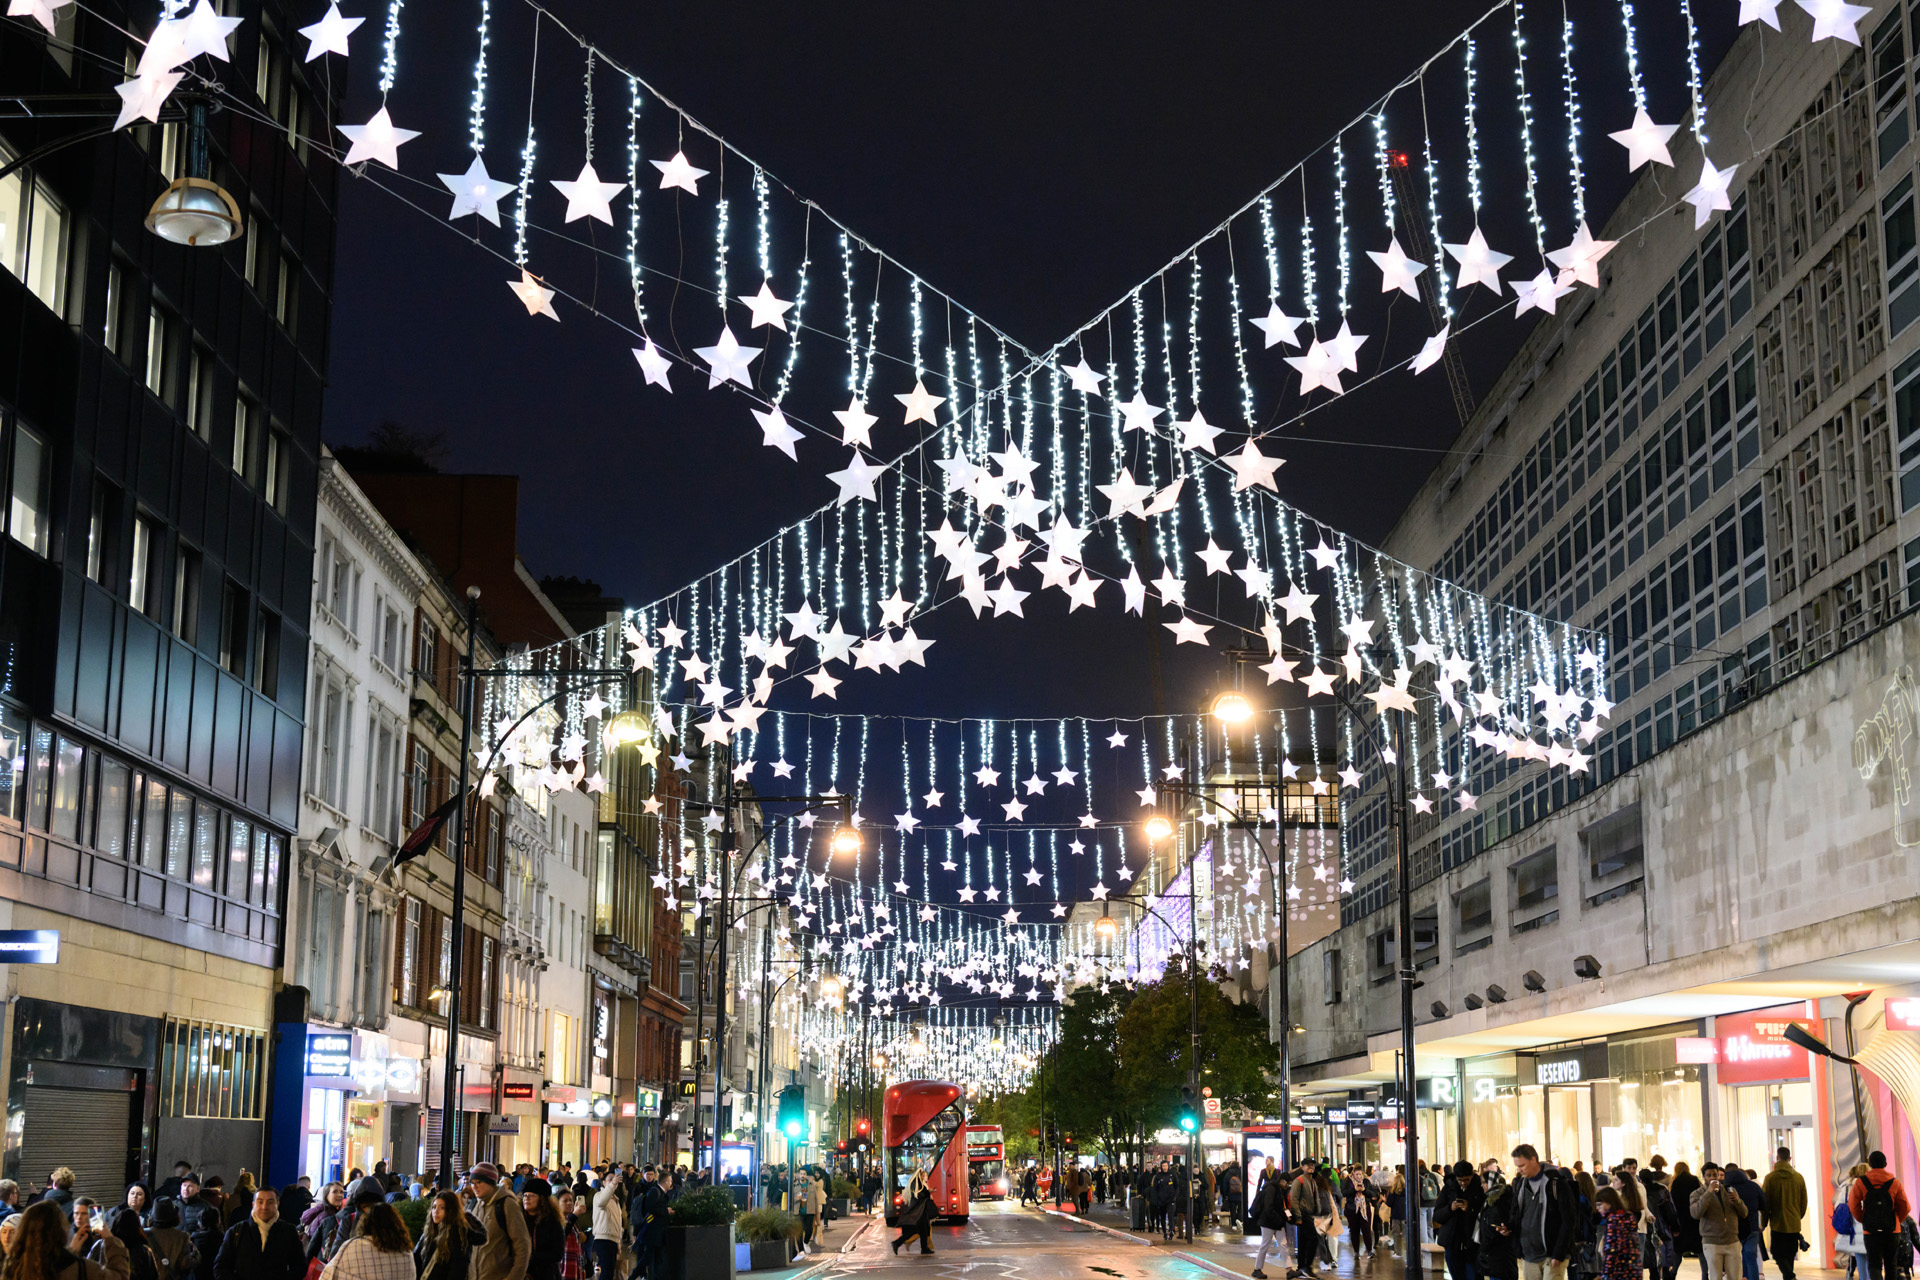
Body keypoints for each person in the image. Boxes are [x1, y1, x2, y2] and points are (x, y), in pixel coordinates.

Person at [1509, 1144, 1581, 1280]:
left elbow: (1569, 1219)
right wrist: (1509, 1227)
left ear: (1533, 1159)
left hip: (1552, 1252)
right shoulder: (1521, 1185)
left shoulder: (1556, 1183)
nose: (1519, 1170)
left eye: (1522, 1165)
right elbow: (1516, 1214)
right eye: (1517, 1166)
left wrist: (1559, 1252)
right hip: (1529, 1254)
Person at [210, 1187, 302, 1280]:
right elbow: (220, 1267)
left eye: (270, 1202)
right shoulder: (236, 1231)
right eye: (260, 1202)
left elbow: (300, 1265)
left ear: (277, 1204)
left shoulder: (288, 1231)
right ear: (253, 1204)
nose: (264, 1207)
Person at [8, 1201, 115, 1280]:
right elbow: (119, 1275)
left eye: (84, 1214)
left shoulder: (14, 1265)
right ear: (60, 1231)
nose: (79, 1218)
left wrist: (72, 1251)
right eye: (76, 1213)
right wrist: (111, 1240)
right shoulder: (82, 1267)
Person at [1849, 1151, 1911, 1280]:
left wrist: (1863, 1219)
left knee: (1874, 1265)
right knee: (1891, 1265)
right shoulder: (1895, 1183)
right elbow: (1905, 1207)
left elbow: (1853, 1204)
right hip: (1892, 1230)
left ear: (1870, 1164)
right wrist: (1897, 1220)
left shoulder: (1861, 1182)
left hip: (1870, 1230)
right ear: (1885, 1164)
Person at [466, 1165, 531, 1280]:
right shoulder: (477, 1205)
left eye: (478, 1182)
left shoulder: (507, 1205)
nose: (474, 1187)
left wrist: (513, 1277)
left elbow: (523, 1246)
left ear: (490, 1183)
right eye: (472, 1182)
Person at [319, 1202, 412, 1280]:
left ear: (365, 1223)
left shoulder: (353, 1245)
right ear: (397, 1224)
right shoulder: (406, 1252)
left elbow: (329, 1273)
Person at [1690, 1163, 1747, 1280]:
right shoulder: (1697, 1193)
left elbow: (1744, 1213)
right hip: (1712, 1243)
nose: (1712, 1178)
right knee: (1716, 1277)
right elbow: (1696, 1213)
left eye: (1715, 1175)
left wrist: (1737, 1200)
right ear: (1704, 1177)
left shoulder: (1729, 1190)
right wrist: (1708, 1193)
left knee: (1735, 1276)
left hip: (1732, 1241)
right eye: (1709, 1175)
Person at [1435, 1162, 1486, 1280]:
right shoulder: (1449, 1187)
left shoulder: (1480, 1187)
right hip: (1452, 1242)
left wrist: (1470, 1209)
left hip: (1473, 1243)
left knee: (1473, 1276)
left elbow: (1485, 1215)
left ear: (1472, 1175)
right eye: (1460, 1180)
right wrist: (1450, 1209)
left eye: (1466, 1180)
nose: (1463, 1183)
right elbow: (1437, 1216)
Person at [1764, 1147, 1808, 1280]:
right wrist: (1797, 1215)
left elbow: (1766, 1202)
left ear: (1777, 1158)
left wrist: (1764, 1222)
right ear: (1789, 1159)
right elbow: (1803, 1201)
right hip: (1794, 1223)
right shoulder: (1799, 1177)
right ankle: (1789, 1276)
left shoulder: (1770, 1178)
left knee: (1777, 1253)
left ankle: (1789, 1276)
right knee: (1790, 1254)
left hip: (1777, 1223)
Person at [1248, 1163, 1292, 1280]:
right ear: (1282, 1181)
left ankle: (1289, 1269)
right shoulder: (1271, 1189)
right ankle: (1257, 1269)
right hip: (1268, 1222)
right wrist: (1279, 1219)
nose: (1287, 1186)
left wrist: (1286, 1216)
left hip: (1277, 1222)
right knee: (1265, 1245)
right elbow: (1269, 1208)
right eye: (1287, 1183)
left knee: (1283, 1245)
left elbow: (1282, 1206)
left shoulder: (1279, 1190)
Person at [1291, 1162, 1332, 1279]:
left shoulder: (1312, 1181)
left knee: (1303, 1242)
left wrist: (1317, 1210)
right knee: (1313, 1238)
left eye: (1312, 1166)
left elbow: (1316, 1198)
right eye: (1308, 1165)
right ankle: (1307, 1267)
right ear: (1303, 1167)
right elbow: (1294, 1199)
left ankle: (1301, 1268)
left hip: (1310, 1215)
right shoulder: (1299, 1181)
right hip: (1303, 1215)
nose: (1311, 1167)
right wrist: (1298, 1216)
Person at [1723, 1166, 1763, 1280]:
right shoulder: (1753, 1186)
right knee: (1750, 1257)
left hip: (1735, 1227)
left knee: (1736, 1258)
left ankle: (1743, 1277)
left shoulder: (1727, 1189)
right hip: (1752, 1226)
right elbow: (1763, 1204)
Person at [517, 1180, 561, 1280]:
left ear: (542, 1199)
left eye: (532, 1195)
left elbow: (558, 1253)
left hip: (545, 1274)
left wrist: (531, 1257)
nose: (526, 1199)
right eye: (525, 1195)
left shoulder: (552, 1221)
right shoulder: (518, 1220)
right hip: (521, 1273)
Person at [629, 1165, 667, 1280]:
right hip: (641, 1222)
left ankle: (643, 1273)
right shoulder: (638, 1187)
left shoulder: (656, 1187)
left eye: (651, 1174)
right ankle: (641, 1273)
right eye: (648, 1174)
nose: (650, 1177)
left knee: (649, 1253)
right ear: (643, 1174)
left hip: (651, 1223)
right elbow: (633, 1204)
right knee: (641, 1249)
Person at [145, 1200, 197, 1280]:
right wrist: (196, 1254)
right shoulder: (182, 1236)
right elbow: (185, 1264)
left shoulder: (144, 1234)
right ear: (175, 1217)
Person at [1481, 1175, 1520, 1280]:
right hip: (1495, 1256)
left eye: (1484, 1182)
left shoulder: (1500, 1203)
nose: (1482, 1185)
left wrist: (1485, 1246)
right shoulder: (1490, 1201)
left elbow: (1496, 1229)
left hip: (1501, 1256)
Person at [1598, 1189, 1641, 1280]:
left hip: (1618, 1271)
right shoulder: (1628, 1216)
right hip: (1633, 1268)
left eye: (1599, 1204)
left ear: (1609, 1203)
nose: (1597, 1208)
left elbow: (1611, 1250)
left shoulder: (1613, 1220)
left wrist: (1605, 1275)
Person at [1670, 1164, 1704, 1280]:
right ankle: (1705, 1275)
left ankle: (1673, 1273)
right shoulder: (1694, 1180)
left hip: (1681, 1221)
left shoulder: (1675, 1182)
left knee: (1678, 1250)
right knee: (1700, 1250)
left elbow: (1672, 1202)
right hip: (1695, 1220)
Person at [890, 1170, 935, 1257]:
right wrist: (928, 1192)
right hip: (918, 1211)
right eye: (924, 1176)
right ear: (920, 1176)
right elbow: (919, 1196)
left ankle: (924, 1249)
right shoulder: (916, 1184)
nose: (925, 1177)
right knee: (913, 1230)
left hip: (921, 1211)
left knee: (923, 1231)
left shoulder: (919, 1183)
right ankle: (896, 1243)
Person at [588, 1171, 622, 1280]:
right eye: (610, 1180)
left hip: (612, 1240)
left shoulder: (615, 1199)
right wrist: (612, 1185)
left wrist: (618, 1242)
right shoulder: (598, 1196)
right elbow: (602, 1202)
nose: (613, 1182)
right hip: (603, 1239)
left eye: (615, 1180)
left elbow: (617, 1222)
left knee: (609, 1272)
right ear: (603, 1183)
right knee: (606, 1272)